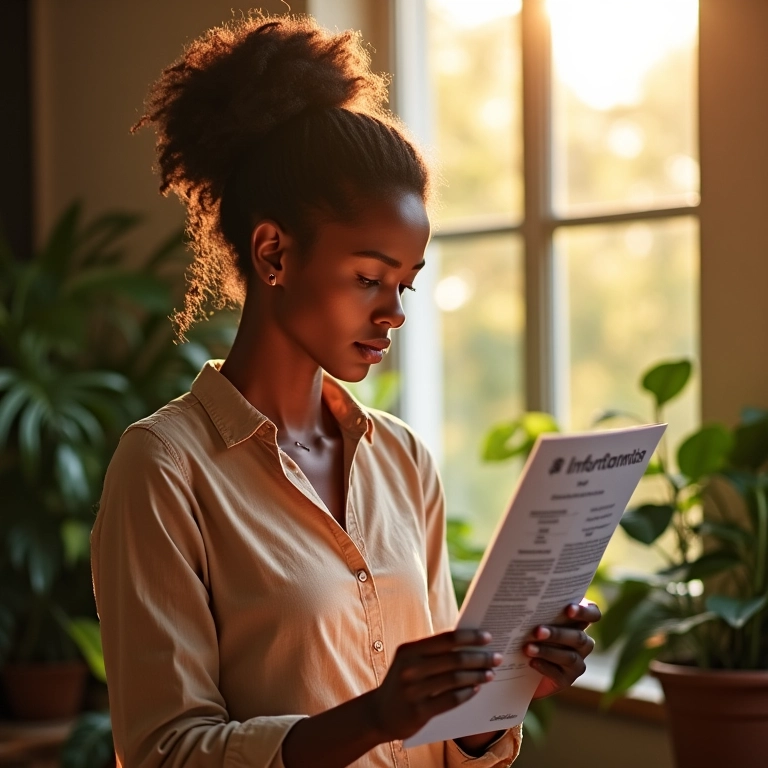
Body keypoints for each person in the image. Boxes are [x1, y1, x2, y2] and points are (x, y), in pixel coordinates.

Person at [91, 13, 600, 768]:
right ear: (274, 253)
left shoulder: (402, 460)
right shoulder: (167, 469)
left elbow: (440, 743)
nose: (393, 312)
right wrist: (372, 717)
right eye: (368, 277)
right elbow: (164, 753)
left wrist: (494, 704)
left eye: (405, 285)